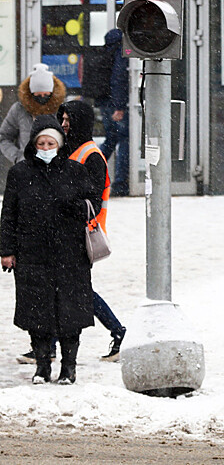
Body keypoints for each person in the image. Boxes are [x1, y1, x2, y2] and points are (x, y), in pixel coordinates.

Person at [0, 115, 98, 384]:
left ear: (60, 144)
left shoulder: (75, 171)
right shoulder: (19, 173)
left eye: (50, 142)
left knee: (70, 313)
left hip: (70, 254)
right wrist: (6, 250)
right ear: (34, 144)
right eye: (41, 143)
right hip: (32, 254)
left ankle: (69, 367)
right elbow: (8, 214)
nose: (45, 148)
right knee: (37, 313)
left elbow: (93, 203)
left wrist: (73, 207)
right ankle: (42, 366)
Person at [59, 100, 127, 361]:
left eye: (68, 120)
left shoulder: (90, 155)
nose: (64, 124)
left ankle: (118, 332)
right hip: (71, 231)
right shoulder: (73, 150)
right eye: (62, 119)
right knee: (73, 289)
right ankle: (118, 332)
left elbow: (93, 200)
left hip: (82, 233)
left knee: (74, 289)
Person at [0, 63, 66, 165]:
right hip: (26, 168)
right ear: (31, 93)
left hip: (57, 168)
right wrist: (18, 157)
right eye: (38, 94)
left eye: (46, 94)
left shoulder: (62, 110)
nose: (42, 97)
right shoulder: (19, 109)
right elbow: (4, 137)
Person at [96, 28, 130, 196]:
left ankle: (91, 169)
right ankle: (121, 183)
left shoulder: (105, 53)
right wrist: (120, 106)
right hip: (114, 103)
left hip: (105, 101)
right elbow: (119, 79)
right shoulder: (120, 54)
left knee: (111, 139)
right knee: (124, 140)